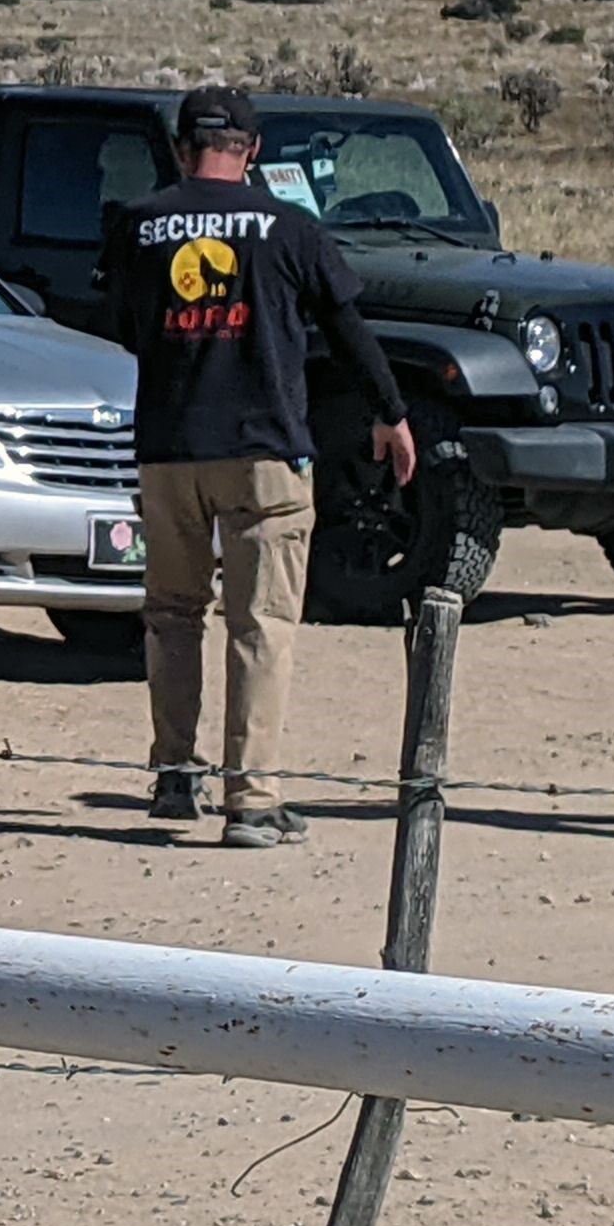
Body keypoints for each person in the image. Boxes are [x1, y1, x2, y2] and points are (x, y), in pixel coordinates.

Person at [100, 86, 414, 848]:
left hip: (170, 450)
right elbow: (347, 329)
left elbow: (120, 324)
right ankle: (251, 798)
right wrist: (391, 412)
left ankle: (176, 774)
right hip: (264, 451)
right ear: (254, 151)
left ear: (179, 148)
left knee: (173, 615)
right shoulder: (288, 228)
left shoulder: (138, 227)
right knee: (261, 622)